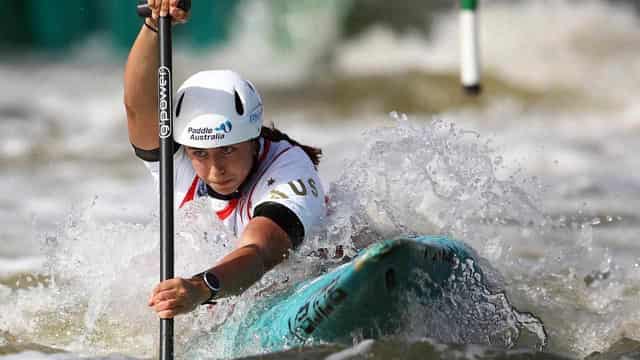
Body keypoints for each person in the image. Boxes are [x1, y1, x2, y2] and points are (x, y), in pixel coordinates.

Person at [123, 0, 326, 319]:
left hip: (301, 272)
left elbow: (259, 254)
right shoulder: (179, 162)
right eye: (200, 153)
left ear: (253, 138)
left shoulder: (290, 172)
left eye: (228, 150)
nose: (215, 169)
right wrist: (153, 25)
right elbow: (138, 108)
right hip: (217, 289)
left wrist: (200, 289)